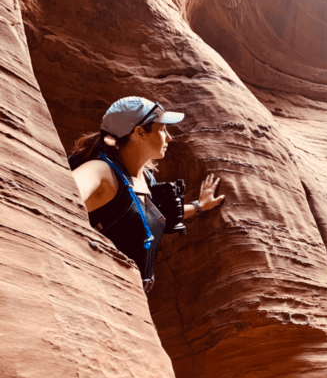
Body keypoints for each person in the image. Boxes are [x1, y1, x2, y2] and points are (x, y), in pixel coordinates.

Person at [70, 96, 224, 291]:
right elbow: (63, 190)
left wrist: (200, 206)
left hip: (133, 295)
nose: (169, 137)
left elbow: (156, 217)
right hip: (99, 291)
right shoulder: (101, 172)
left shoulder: (147, 179)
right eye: (162, 129)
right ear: (140, 132)